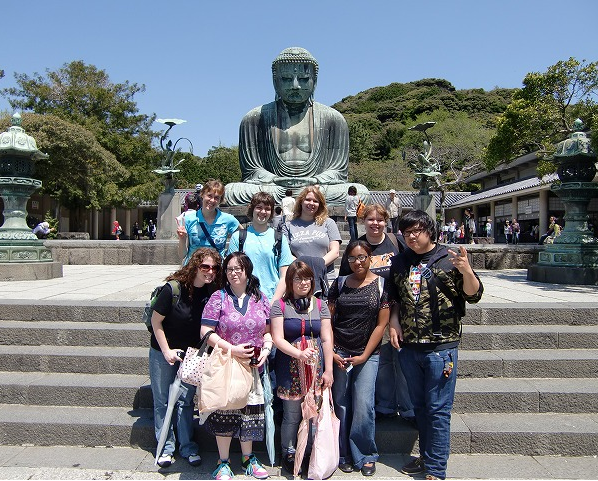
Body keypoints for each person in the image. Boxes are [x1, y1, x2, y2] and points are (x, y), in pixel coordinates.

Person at [388, 210, 483, 480]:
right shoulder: (400, 262)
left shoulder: (449, 258)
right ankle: (427, 457)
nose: (412, 237)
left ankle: (436, 470)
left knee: (438, 410)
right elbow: (393, 297)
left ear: (430, 230)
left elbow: (473, 295)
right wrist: (393, 322)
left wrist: (467, 271)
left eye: (417, 231)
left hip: (441, 348)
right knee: (419, 407)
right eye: (407, 233)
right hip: (410, 346)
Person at [224, 47, 368, 206]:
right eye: (286, 78)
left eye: (304, 79)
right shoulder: (255, 118)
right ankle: (303, 197)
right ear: (275, 81)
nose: (295, 85)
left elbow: (338, 172)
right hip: (274, 187)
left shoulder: (334, 119)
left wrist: (315, 180)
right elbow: (252, 171)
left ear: (315, 81)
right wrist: (275, 180)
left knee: (360, 192)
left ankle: (306, 195)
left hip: (317, 187)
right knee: (231, 191)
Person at [337, 204, 413, 424]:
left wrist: (395, 317)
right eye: (370, 219)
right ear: (363, 222)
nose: (375, 224)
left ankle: (408, 408)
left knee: (401, 358)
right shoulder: (356, 246)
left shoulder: (396, 243)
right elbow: (344, 281)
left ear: (386, 222)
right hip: (366, 315)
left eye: (380, 219)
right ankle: (385, 405)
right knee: (381, 362)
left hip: (397, 309)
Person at [200, 252, 272, 480]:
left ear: (248, 270)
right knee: (225, 410)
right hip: (227, 366)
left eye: (239, 268)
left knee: (250, 414)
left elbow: (268, 331)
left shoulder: (260, 297)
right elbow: (205, 332)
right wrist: (231, 349)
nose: (234, 273)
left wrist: (267, 349)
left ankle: (247, 458)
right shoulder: (218, 298)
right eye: (230, 269)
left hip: (253, 367)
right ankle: (223, 462)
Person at [149, 247, 222, 468]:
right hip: (163, 351)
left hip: (192, 354)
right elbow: (156, 322)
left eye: (214, 268)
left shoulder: (211, 293)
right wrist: (167, 351)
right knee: (162, 400)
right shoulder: (173, 289)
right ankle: (165, 447)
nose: (209, 271)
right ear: (195, 266)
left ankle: (187, 446)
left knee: (185, 401)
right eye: (205, 266)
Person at [328, 240, 391, 477]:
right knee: (341, 404)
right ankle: (342, 453)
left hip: (368, 353)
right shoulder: (340, 283)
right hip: (340, 352)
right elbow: (328, 320)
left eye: (362, 257)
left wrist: (365, 354)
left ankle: (364, 454)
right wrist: (332, 351)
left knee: (364, 404)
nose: (357, 262)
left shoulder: (381, 285)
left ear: (370, 257)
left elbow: (381, 324)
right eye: (353, 258)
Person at [270, 260, 334, 474]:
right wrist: (298, 353)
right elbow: (277, 338)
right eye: (298, 278)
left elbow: (326, 338)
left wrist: (329, 370)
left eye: (307, 278)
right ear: (290, 281)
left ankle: (309, 450)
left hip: (315, 367)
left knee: (313, 411)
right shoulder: (279, 306)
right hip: (289, 365)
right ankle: (288, 451)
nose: (303, 282)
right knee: (291, 413)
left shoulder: (320, 305)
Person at [227, 192, 294, 303]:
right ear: (252, 209)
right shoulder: (238, 237)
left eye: (267, 209)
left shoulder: (279, 238)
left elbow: (284, 275)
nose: (263, 212)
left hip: (271, 297)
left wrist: (274, 302)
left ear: (271, 212)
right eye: (259, 207)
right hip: (243, 299)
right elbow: (231, 272)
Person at [282, 186, 341, 291]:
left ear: (320, 204)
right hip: (300, 279)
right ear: (301, 201)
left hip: (326, 277)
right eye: (308, 200)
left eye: (315, 201)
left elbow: (335, 251)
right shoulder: (288, 225)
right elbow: (286, 253)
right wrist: (304, 269)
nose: (311, 203)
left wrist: (316, 266)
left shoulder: (328, 223)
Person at [177, 180, 240, 264]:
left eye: (217, 197)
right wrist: (182, 239)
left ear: (220, 200)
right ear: (202, 194)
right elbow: (182, 255)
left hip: (216, 270)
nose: (212, 200)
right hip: (193, 270)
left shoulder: (228, 219)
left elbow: (243, 236)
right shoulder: (189, 219)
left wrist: (231, 255)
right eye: (209, 196)